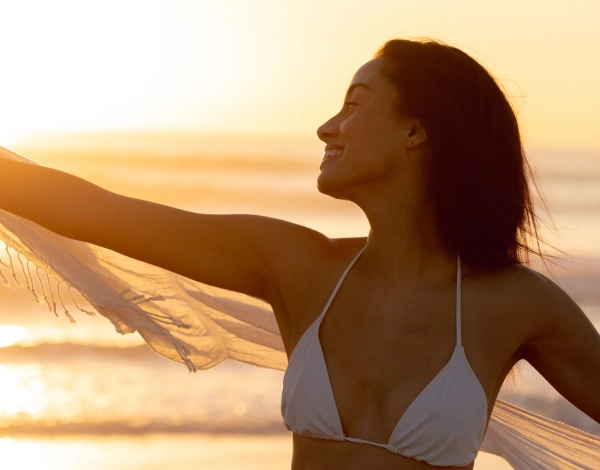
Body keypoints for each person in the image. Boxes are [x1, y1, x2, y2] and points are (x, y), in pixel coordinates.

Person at [1, 38, 599, 469]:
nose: (326, 127)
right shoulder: (294, 265)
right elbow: (91, 209)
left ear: (415, 132)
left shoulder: (517, 303)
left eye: (354, 104)